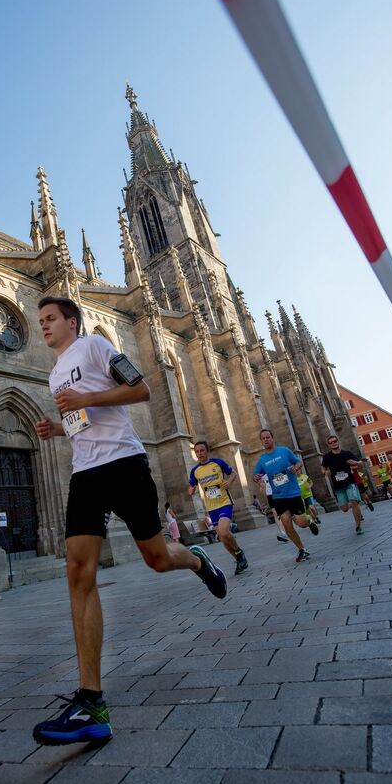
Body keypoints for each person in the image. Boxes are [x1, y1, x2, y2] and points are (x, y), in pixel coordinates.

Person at [32, 297, 227, 747]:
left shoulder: (97, 347)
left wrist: (88, 396)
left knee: (157, 559)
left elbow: (141, 390)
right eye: (39, 320)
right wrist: (58, 428)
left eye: (50, 319)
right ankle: (90, 703)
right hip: (85, 473)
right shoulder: (54, 372)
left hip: (125, 463)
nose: (43, 326)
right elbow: (82, 419)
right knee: (78, 571)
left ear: (71, 321)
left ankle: (196, 560)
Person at [253, 429, 317, 562]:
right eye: (263, 438)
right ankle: (302, 549)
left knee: (301, 523)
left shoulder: (284, 451)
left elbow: (298, 462)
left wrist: (296, 468)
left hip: (293, 493)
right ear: (261, 441)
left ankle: (309, 520)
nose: (266, 440)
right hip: (278, 497)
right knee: (286, 523)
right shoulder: (262, 460)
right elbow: (255, 475)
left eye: (268, 437)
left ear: (272, 438)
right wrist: (256, 477)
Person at [188, 441, 248, 575]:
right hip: (211, 508)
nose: (199, 454)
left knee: (224, 532)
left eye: (202, 450)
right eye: (197, 452)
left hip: (224, 502)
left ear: (207, 451)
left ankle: (239, 551)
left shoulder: (218, 463)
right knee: (221, 536)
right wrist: (191, 490)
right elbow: (191, 485)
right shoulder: (195, 471)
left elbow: (233, 473)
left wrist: (229, 481)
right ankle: (239, 560)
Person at [321, 435, 364, 534]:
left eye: (335, 441)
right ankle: (354, 502)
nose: (333, 443)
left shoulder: (347, 453)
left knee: (353, 502)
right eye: (331, 442)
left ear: (338, 441)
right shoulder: (327, 457)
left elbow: (361, 463)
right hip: (338, 486)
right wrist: (325, 472)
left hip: (350, 482)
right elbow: (323, 467)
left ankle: (358, 526)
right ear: (329, 445)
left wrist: (355, 462)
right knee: (344, 509)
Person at [260, 474, 288, 543]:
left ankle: (287, 530)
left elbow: (283, 480)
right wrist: (262, 486)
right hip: (270, 495)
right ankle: (282, 533)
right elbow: (261, 491)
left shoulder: (273, 470)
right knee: (275, 514)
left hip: (278, 493)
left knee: (285, 512)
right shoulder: (262, 476)